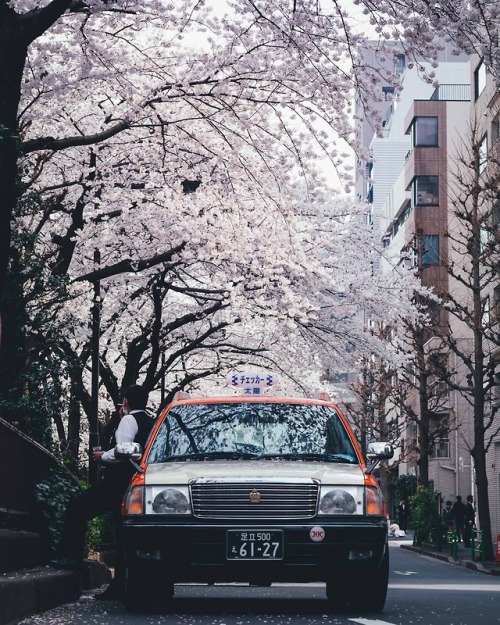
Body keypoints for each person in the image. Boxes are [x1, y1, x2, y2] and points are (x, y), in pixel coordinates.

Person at [51, 385, 154, 600]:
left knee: (77, 506)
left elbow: (123, 450)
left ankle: (70, 557)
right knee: (122, 534)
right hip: (135, 484)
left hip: (118, 482)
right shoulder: (151, 422)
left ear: (125, 402)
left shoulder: (128, 420)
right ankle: (119, 586)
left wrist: (102, 456)